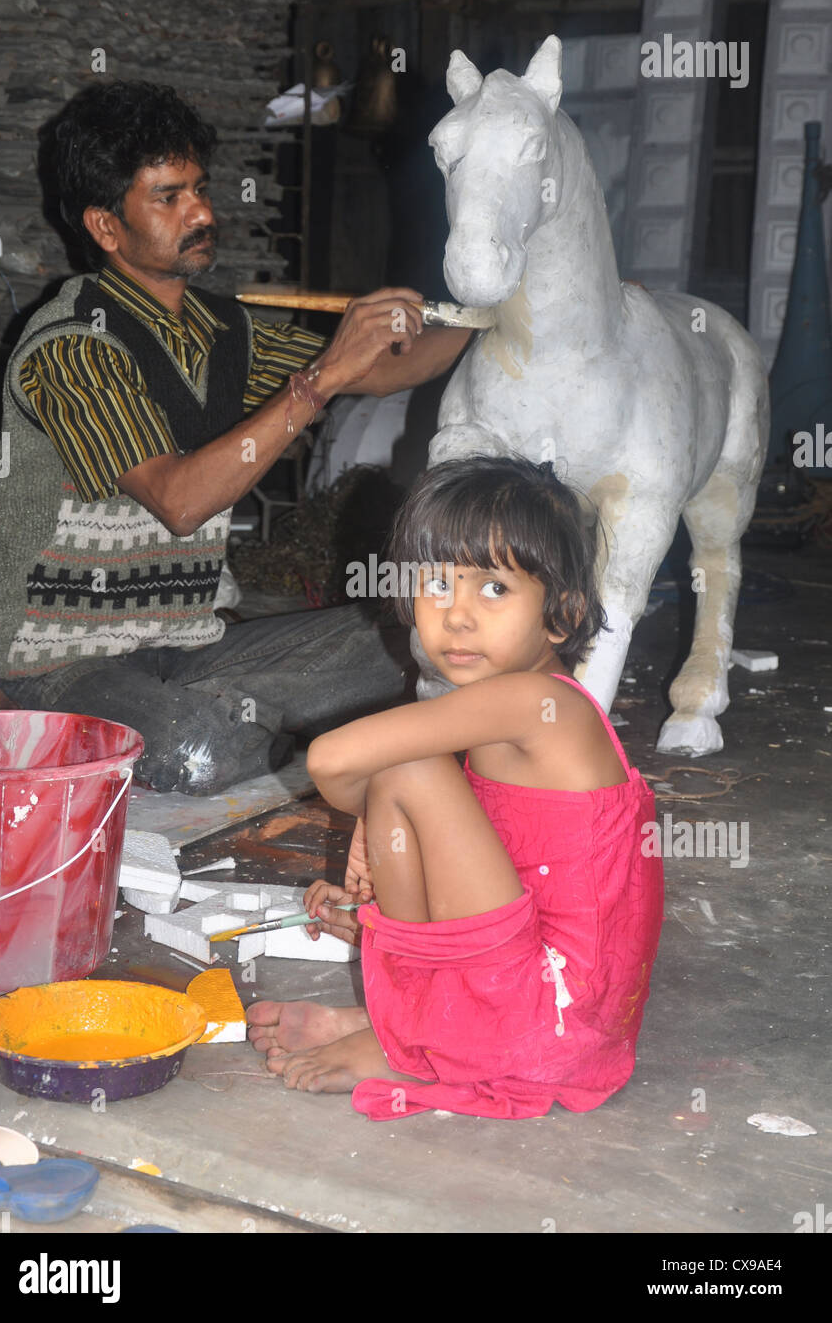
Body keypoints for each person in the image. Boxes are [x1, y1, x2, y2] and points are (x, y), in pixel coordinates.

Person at [0, 80, 473, 792]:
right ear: (106, 228)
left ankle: (251, 729)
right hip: (55, 670)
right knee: (201, 751)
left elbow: (388, 372)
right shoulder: (71, 346)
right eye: (168, 197)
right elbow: (179, 500)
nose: (202, 212)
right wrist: (321, 378)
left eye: (200, 189)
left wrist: (501, 316)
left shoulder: (222, 331)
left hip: (185, 649)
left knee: (416, 642)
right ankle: (258, 736)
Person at [247, 455, 664, 1121]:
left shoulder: (531, 703)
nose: (456, 616)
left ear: (561, 615)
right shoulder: (525, 701)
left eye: (493, 589)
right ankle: (408, 1026)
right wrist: (379, 859)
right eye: (436, 584)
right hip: (561, 1017)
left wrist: (377, 808)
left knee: (406, 768)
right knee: (403, 774)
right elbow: (498, 869)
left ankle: (410, 1045)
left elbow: (329, 760)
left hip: (544, 1026)